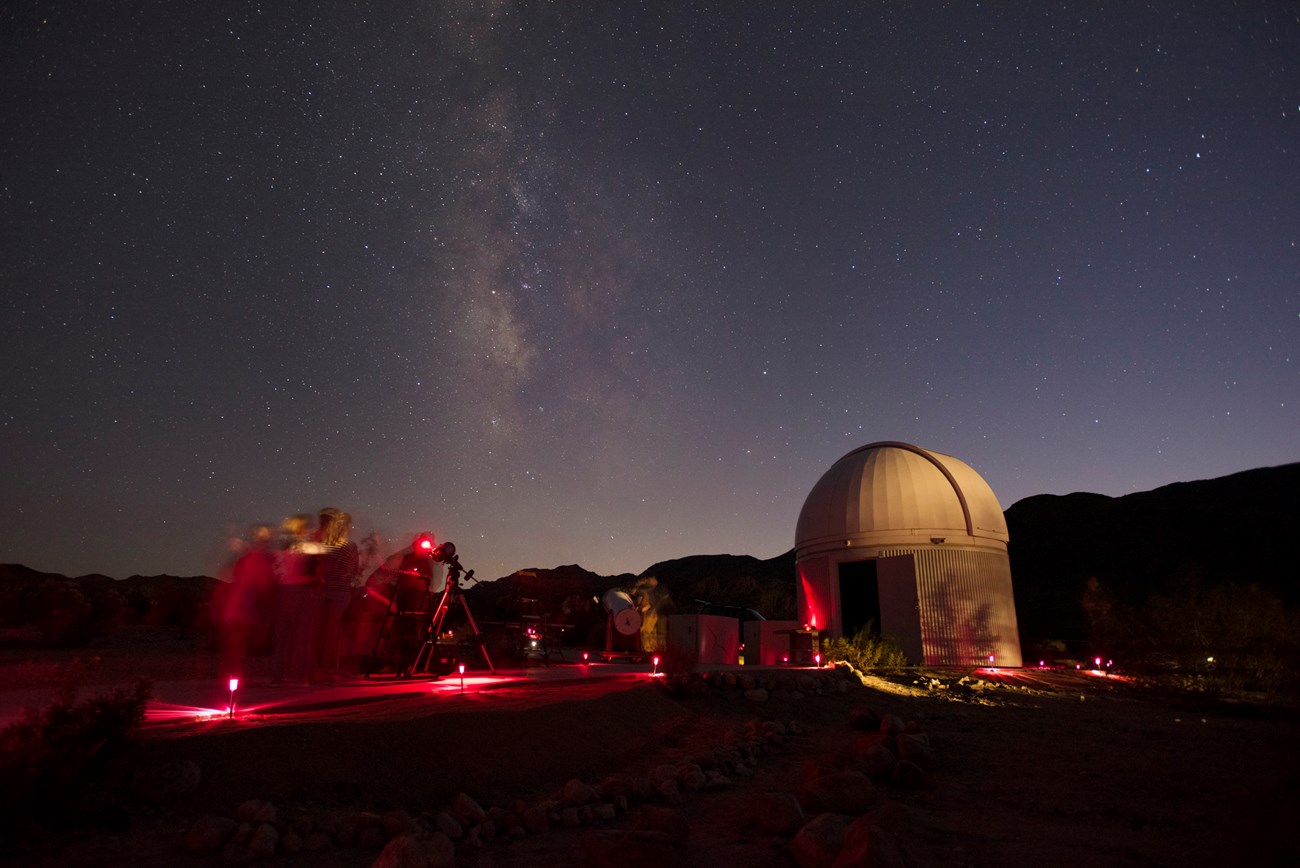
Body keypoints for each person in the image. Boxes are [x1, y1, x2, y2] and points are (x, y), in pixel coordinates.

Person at [219, 524, 275, 683]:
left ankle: (230, 678)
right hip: (241, 608)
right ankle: (233, 680)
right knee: (237, 646)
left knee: (234, 647)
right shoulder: (255, 558)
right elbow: (264, 583)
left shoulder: (246, 557)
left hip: (237, 607)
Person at [271, 514, 319, 685]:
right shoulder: (307, 548)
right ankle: (299, 676)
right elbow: (313, 575)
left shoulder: (282, 548)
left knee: (284, 637)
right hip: (298, 593)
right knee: (301, 637)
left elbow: (277, 573)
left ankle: (280, 676)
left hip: (285, 593)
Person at [313, 508, 359, 681]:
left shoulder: (323, 545)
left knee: (320, 631)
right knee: (332, 632)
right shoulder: (350, 546)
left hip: (323, 591)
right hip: (340, 592)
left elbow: (320, 567)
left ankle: (318, 668)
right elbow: (354, 570)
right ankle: (327, 668)